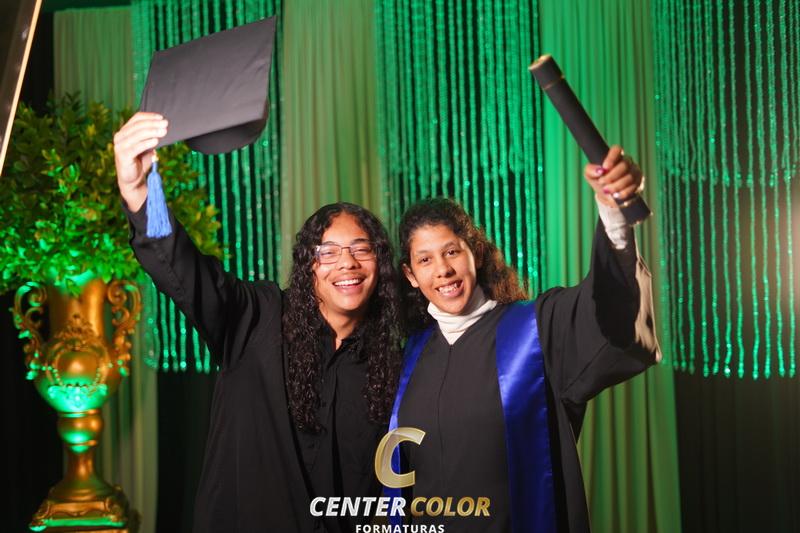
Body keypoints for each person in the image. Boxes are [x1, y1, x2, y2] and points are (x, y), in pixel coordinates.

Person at [114, 112, 402, 533]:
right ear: (308, 266)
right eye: (328, 252)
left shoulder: (392, 363)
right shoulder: (258, 319)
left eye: (362, 249)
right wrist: (142, 194)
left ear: (380, 263)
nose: (347, 263)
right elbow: (187, 271)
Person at [392, 146, 659, 532]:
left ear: (475, 253)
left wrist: (613, 212)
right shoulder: (409, 358)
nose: (443, 270)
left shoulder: (534, 331)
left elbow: (607, 314)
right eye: (425, 260)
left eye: (452, 251)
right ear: (411, 275)